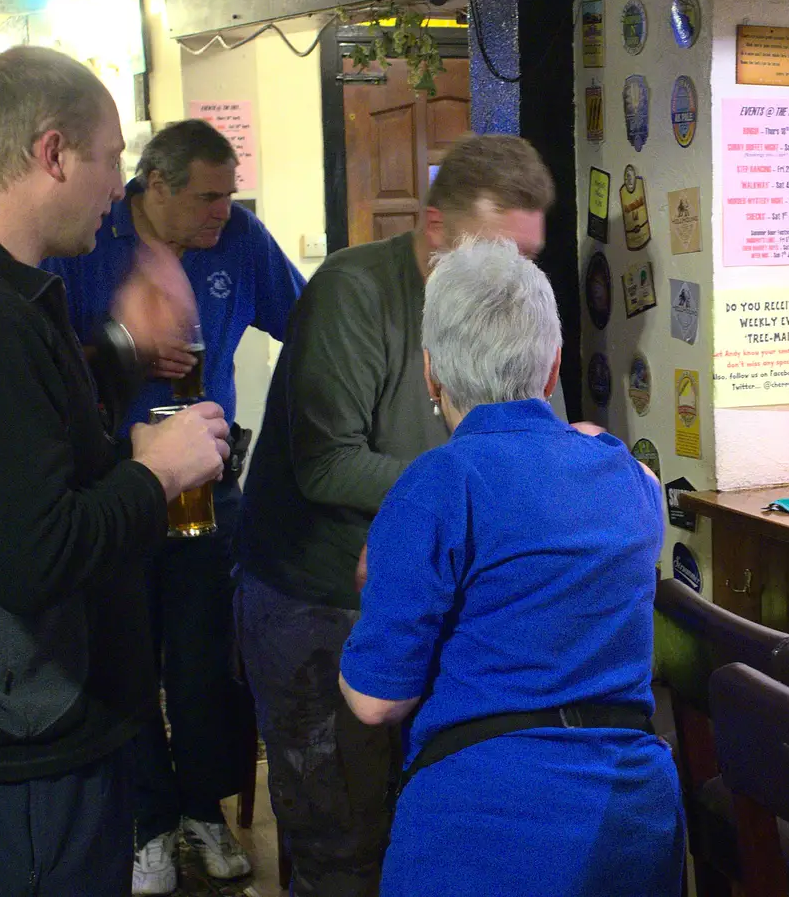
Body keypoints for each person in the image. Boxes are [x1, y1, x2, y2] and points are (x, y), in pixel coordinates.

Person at [235, 134, 556, 896]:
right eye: (501, 250)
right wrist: (461, 488)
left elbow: (529, 441)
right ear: (436, 228)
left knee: (424, 826)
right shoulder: (355, 291)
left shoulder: (507, 305)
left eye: (528, 256)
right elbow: (325, 463)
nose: (516, 276)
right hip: (316, 596)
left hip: (423, 595)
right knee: (337, 838)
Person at [0, 46, 230, 895]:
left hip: (34, 744)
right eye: (112, 160)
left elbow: (26, 448)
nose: (119, 187)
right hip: (23, 760)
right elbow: (34, 556)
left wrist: (119, 352)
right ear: (53, 152)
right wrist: (157, 473)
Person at [339, 237, 684, 896]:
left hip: (479, 822)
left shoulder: (434, 485)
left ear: (430, 371)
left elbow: (375, 699)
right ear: (553, 367)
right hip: (630, 812)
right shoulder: (627, 477)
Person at [41, 118, 305, 894]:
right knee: (129, 660)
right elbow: (46, 356)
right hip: (114, 485)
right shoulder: (89, 234)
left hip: (208, 483)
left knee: (201, 661)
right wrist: (121, 351)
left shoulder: (241, 240)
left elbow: (310, 324)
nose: (225, 210)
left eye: (229, 195)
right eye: (208, 197)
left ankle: (202, 811)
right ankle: (147, 822)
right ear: (154, 185)